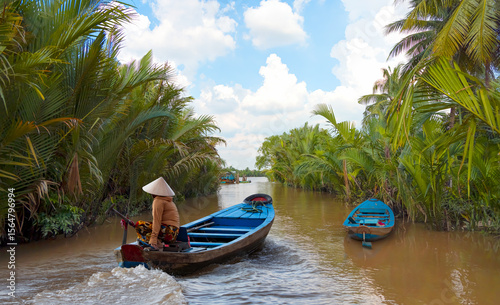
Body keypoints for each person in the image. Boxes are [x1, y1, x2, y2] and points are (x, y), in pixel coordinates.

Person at [136, 177, 180, 250]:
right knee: (148, 226)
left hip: (169, 233)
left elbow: (157, 221)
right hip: (174, 233)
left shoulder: (158, 201)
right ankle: (158, 243)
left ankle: (156, 244)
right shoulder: (168, 200)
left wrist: (153, 238)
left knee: (139, 225)